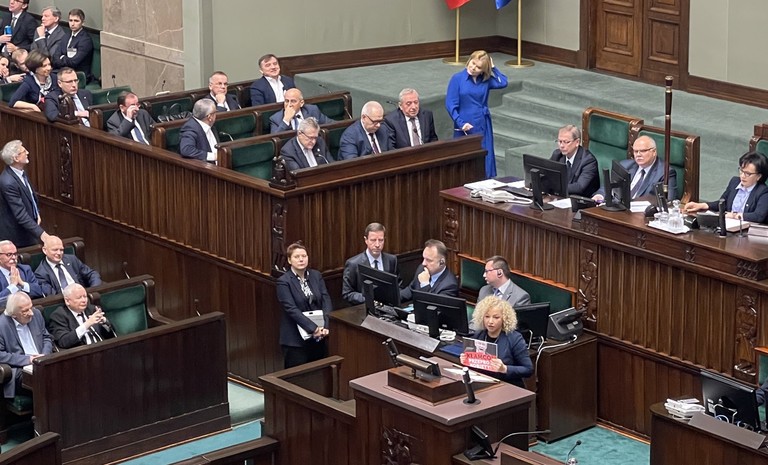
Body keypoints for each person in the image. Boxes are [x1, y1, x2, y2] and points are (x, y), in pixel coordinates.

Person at [445, 50, 508, 178]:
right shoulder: (457, 78)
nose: (473, 68)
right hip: (465, 125)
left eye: (478, 67)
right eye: (473, 63)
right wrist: (460, 123)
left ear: (483, 70)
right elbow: (450, 104)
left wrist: (493, 68)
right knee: (465, 162)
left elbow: (503, 82)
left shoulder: (485, 80)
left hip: (483, 123)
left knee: (485, 156)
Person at [276, 242, 332, 368]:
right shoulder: (283, 282)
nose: (301, 259)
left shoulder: (316, 275)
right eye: (297, 257)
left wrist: (326, 326)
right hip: (295, 340)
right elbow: (291, 309)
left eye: (304, 256)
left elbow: (326, 300)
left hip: (319, 337)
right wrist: (313, 328)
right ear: (289, 260)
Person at [459, 296, 533, 388]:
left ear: (504, 319)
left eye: (496, 317)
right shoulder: (478, 335)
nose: (490, 321)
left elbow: (528, 369)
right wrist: (466, 361)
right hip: (483, 385)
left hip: (508, 387)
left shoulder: (514, 338)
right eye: (487, 317)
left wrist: (504, 369)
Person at [683, 151, 768, 223]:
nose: (742, 176)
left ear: (759, 176)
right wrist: (703, 205)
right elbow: (722, 203)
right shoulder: (735, 182)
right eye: (741, 171)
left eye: (747, 174)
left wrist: (734, 216)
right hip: (728, 226)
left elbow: (758, 216)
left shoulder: (763, 192)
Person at [341, 222, 410, 306]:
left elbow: (398, 286)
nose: (377, 245)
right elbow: (347, 293)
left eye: (381, 240)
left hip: (388, 307)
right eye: (373, 240)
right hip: (364, 308)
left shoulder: (392, 260)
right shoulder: (353, 264)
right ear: (366, 240)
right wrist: (370, 299)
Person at [593, 135, 677, 202]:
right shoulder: (625, 165)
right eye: (636, 151)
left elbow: (669, 201)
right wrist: (599, 196)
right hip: (618, 208)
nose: (638, 155)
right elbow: (609, 185)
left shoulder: (666, 173)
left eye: (643, 151)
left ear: (654, 152)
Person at [0, 292, 53, 399]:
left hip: (43, 361)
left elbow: (46, 337)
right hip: (20, 368)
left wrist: (44, 356)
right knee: (46, 382)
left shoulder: (36, 314)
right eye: (25, 311)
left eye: (31, 307)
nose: (31, 313)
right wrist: (28, 360)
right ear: (13, 314)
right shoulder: (2, 325)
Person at [0, 141, 48, 248]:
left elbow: (30, 197)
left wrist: (36, 213)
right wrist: (43, 235)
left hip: (28, 232)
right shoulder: (8, 182)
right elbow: (20, 214)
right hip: (17, 238)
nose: (27, 152)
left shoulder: (20, 172)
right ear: (16, 158)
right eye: (24, 151)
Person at [47, 283, 114, 349]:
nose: (84, 300)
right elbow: (63, 342)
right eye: (79, 298)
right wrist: (86, 324)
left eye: (85, 296)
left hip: (105, 348)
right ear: (67, 301)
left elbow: (110, 335)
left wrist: (104, 323)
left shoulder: (93, 309)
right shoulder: (59, 316)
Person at [35, 235, 102, 296]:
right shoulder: (41, 274)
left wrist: (94, 290)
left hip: (83, 296)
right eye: (55, 250)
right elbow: (52, 296)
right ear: (45, 250)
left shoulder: (71, 259)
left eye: (61, 250)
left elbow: (92, 274)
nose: (59, 253)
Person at [550, 125, 600, 197]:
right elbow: (546, 175)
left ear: (577, 142)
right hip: (561, 196)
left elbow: (579, 187)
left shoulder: (588, 161)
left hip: (581, 200)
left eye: (566, 142)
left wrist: (552, 187)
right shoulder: (557, 155)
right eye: (559, 141)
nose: (561, 146)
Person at [52, 9, 94, 83]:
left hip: (78, 75)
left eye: (76, 21)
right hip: (62, 71)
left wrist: (62, 58)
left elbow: (74, 62)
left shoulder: (85, 40)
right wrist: (64, 59)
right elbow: (55, 57)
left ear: (83, 23)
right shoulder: (66, 36)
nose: (73, 24)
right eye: (71, 20)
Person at [269, 88, 334, 133]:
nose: (289, 105)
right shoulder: (275, 119)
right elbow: (275, 139)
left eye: (293, 101)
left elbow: (331, 124)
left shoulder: (312, 110)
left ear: (301, 103)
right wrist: (286, 120)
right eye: (286, 101)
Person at [179, 99, 219, 163]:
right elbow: (186, 150)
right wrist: (213, 156)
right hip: (206, 167)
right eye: (215, 112)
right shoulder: (190, 128)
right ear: (210, 117)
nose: (216, 115)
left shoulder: (211, 125)